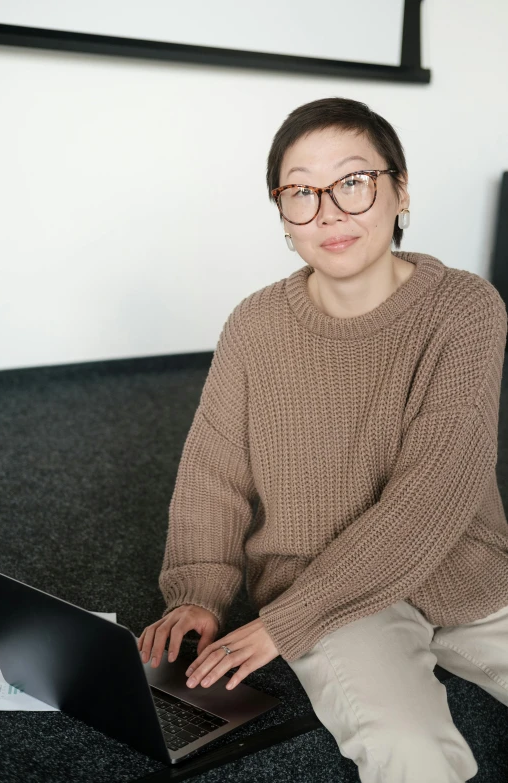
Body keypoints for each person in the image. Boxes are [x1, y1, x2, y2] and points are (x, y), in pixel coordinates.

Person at [138, 97, 508, 781]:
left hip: (462, 570)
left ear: (400, 190)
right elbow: (213, 475)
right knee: (411, 750)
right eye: (301, 192)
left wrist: (284, 623)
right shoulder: (254, 326)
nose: (329, 211)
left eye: (353, 181)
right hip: (324, 585)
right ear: (282, 215)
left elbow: (432, 495)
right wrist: (197, 590)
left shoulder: (465, 307)